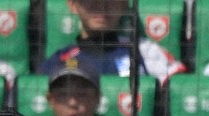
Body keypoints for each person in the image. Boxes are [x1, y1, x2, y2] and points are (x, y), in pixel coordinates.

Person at [37, 0, 186, 86]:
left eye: (111, 0)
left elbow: (180, 90)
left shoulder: (146, 51)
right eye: (91, 1)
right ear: (73, 5)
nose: (102, 7)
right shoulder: (59, 61)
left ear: (124, 5)